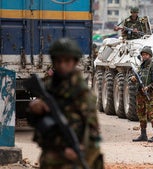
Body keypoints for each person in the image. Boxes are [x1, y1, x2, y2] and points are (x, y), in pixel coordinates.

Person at [28, 38, 103, 169]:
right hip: (50, 158)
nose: (62, 65)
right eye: (58, 61)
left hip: (71, 160)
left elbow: (93, 133)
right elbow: (33, 121)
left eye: (67, 61)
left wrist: (81, 150)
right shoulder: (48, 86)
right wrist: (34, 108)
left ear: (74, 62)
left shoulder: (82, 93)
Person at [131, 46, 153, 142]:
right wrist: (134, 79)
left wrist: (148, 87)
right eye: (143, 55)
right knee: (141, 113)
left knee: (151, 114)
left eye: (146, 55)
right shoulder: (141, 66)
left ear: (150, 55)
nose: (144, 56)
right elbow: (137, 78)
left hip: (149, 94)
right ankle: (143, 135)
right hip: (140, 93)